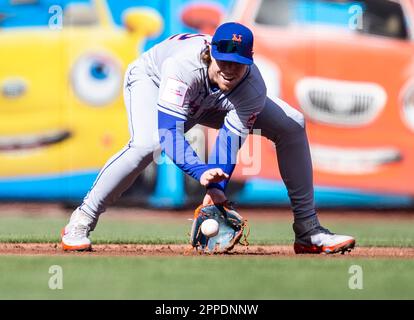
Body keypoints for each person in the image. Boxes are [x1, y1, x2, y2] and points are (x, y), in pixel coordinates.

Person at [61, 22, 355, 254]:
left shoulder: (252, 86)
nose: (228, 69)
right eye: (223, 60)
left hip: (216, 101)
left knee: (292, 124)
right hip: (152, 81)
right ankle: (81, 221)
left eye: (237, 63)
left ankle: (308, 231)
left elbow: (230, 139)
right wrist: (200, 171)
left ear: (249, 63)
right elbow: (168, 133)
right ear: (211, 53)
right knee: (147, 145)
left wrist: (215, 189)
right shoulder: (183, 67)